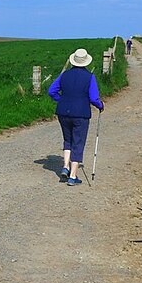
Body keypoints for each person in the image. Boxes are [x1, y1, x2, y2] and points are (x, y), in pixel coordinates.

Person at [48, 48, 105, 186]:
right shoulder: (89, 77)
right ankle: (73, 176)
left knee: (68, 139)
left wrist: (61, 99)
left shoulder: (64, 75)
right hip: (81, 114)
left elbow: (51, 91)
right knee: (78, 142)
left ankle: (65, 167)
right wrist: (100, 105)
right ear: (86, 62)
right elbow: (93, 98)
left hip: (63, 112)